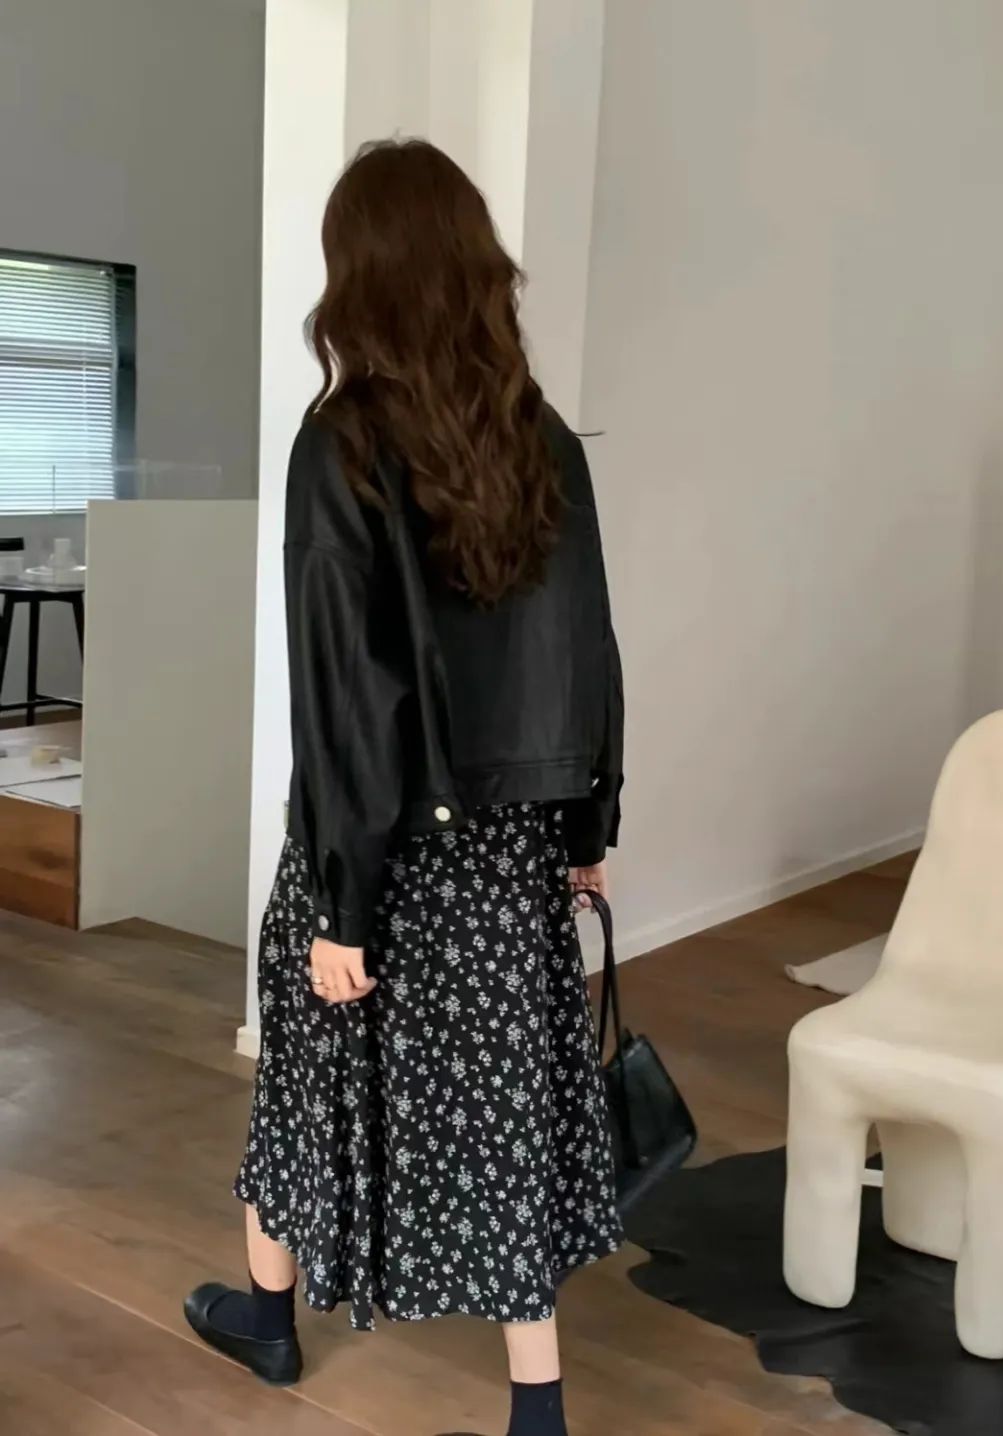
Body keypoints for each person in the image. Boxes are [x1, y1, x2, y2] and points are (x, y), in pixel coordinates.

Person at [184, 138, 625, 1436]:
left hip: (381, 850)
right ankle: (537, 1405)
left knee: (306, 1083)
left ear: (358, 278)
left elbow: (347, 699)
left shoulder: (342, 445)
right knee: (505, 1114)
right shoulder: (542, 440)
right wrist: (586, 824)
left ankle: (270, 1321)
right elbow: (587, 652)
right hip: (509, 849)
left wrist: (343, 906)